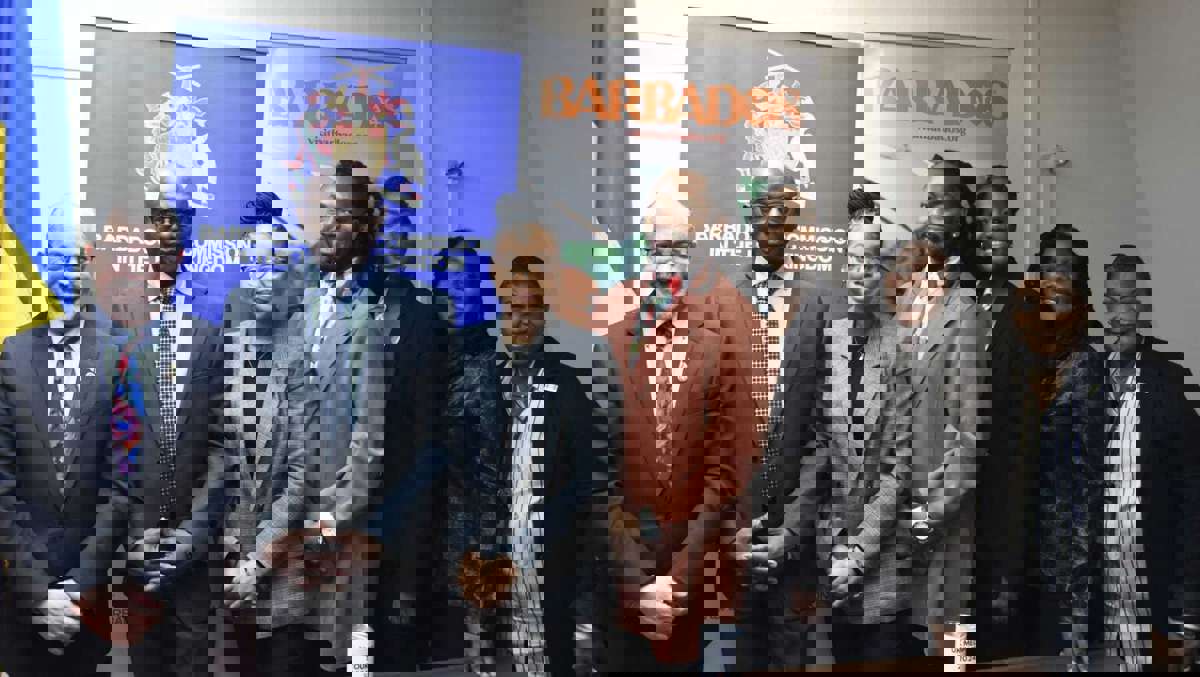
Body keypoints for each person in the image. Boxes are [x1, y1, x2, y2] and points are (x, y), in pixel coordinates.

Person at [222, 159, 449, 676]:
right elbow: (274, 430)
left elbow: (380, 442)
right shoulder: (295, 306)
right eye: (322, 211)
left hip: (341, 538)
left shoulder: (385, 314)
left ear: (367, 226)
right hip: (281, 530)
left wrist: (330, 527)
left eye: (341, 215)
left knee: (331, 660)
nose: (327, 226)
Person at [601, 195, 758, 671]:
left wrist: (678, 579)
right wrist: (639, 582)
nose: (667, 262)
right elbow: (599, 476)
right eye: (658, 248)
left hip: (689, 573)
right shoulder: (610, 344)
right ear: (642, 252)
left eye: (678, 248)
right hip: (626, 575)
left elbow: (721, 472)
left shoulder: (714, 348)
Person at [460, 255, 601, 676]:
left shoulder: (568, 386)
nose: (520, 321)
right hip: (484, 553)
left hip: (544, 555)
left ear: (543, 315)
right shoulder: (473, 381)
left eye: (529, 310)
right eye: (511, 309)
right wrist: (466, 554)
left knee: (539, 660)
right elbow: (455, 479)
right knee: (486, 662)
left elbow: (585, 486)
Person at [0, 242, 129, 676]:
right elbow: (2, 482)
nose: (69, 273)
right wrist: (38, 592)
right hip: (22, 591)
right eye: (58, 262)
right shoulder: (13, 355)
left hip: (93, 588)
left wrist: (78, 587)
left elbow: (122, 484)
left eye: (77, 263)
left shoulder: (118, 355)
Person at [111, 204, 228, 677]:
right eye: (149, 251)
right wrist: (129, 531)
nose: (158, 263)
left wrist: (193, 532)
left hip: (192, 547)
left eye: (168, 251)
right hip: (129, 545)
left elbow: (223, 446)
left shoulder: (209, 340)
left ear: (182, 258)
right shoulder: (107, 342)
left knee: (192, 660)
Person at [1100, 250, 1200, 671]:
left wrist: (1189, 607)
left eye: (1127, 301)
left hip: (1151, 569)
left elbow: (1190, 497)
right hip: (1098, 577)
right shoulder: (1086, 378)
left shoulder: (1171, 383)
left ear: (1143, 309)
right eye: (1111, 301)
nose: (1117, 314)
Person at [1012, 224, 1106, 670]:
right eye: (1048, 267)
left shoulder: (1091, 365)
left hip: (1069, 552)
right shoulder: (1022, 351)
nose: (1055, 279)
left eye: (1066, 269)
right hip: (1017, 539)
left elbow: (1093, 475)